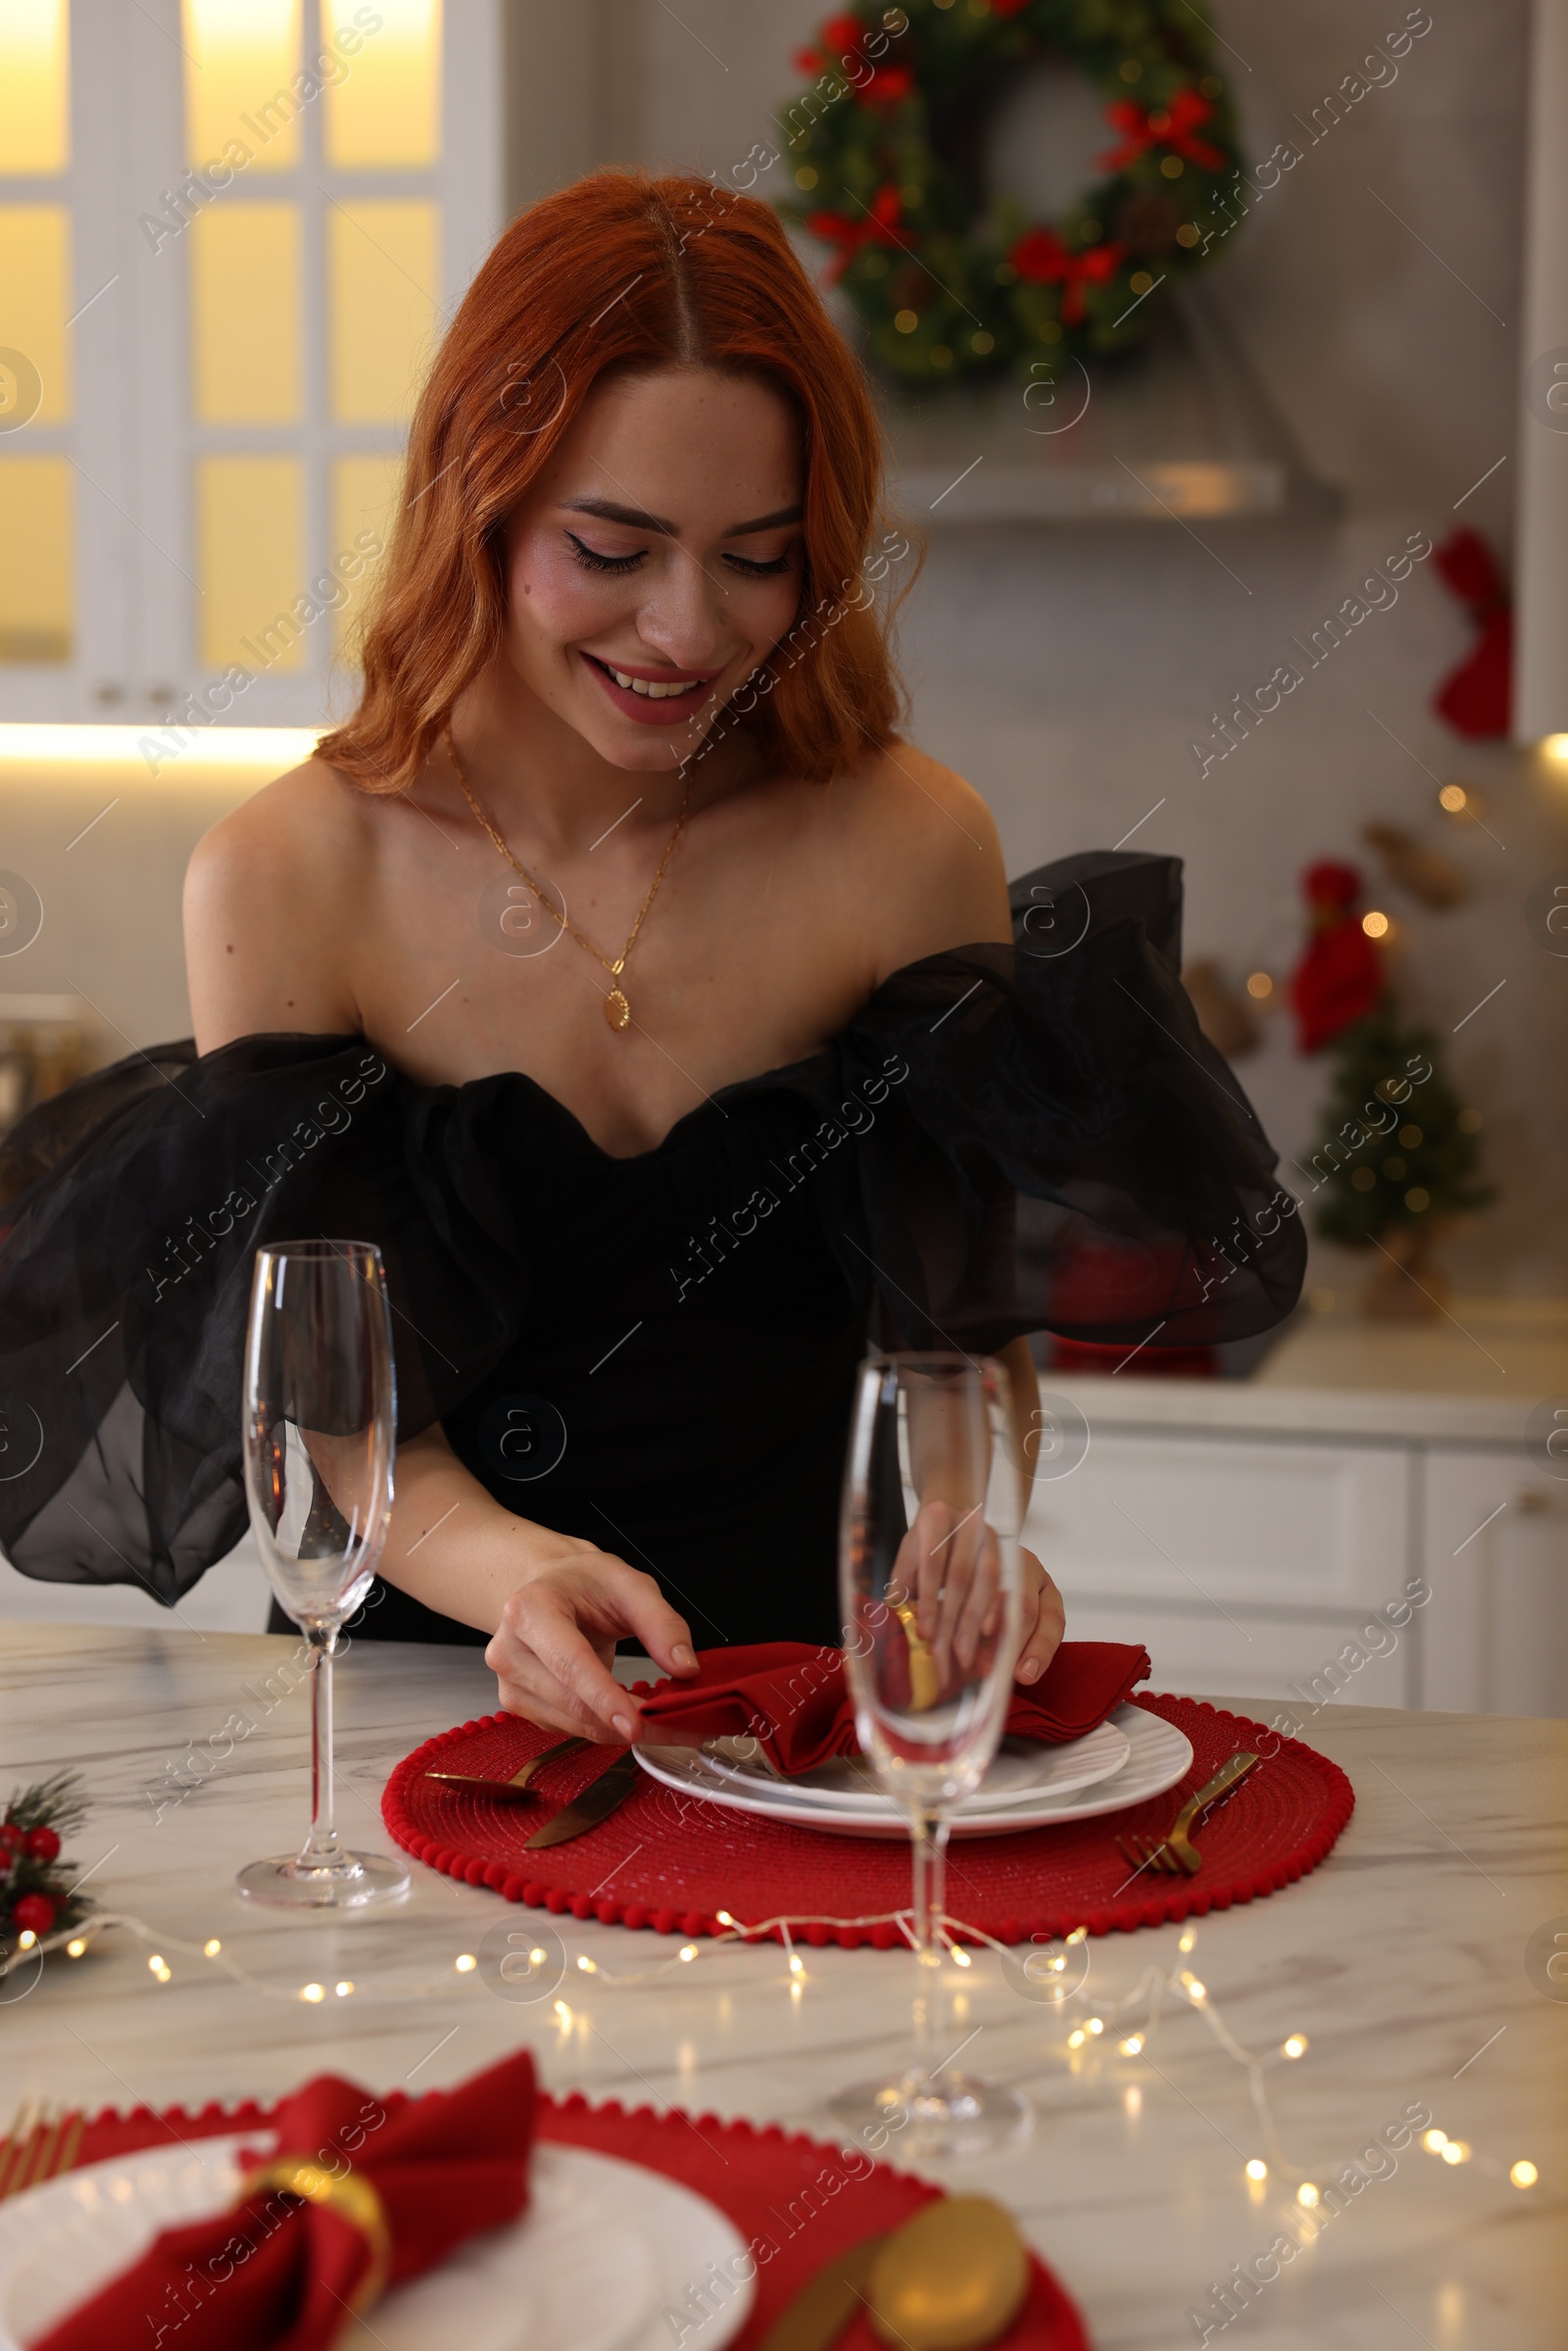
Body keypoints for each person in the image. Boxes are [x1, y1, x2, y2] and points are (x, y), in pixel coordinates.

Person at [0, 173, 1303, 1743]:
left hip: (803, 1723)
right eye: (612, 548)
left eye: (758, 557)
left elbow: (940, 1344)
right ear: (476, 501)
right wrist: (518, 1569)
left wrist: (955, 1552)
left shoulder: (905, 844)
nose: (688, 631)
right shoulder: (289, 875)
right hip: (432, 1695)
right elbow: (328, 1407)